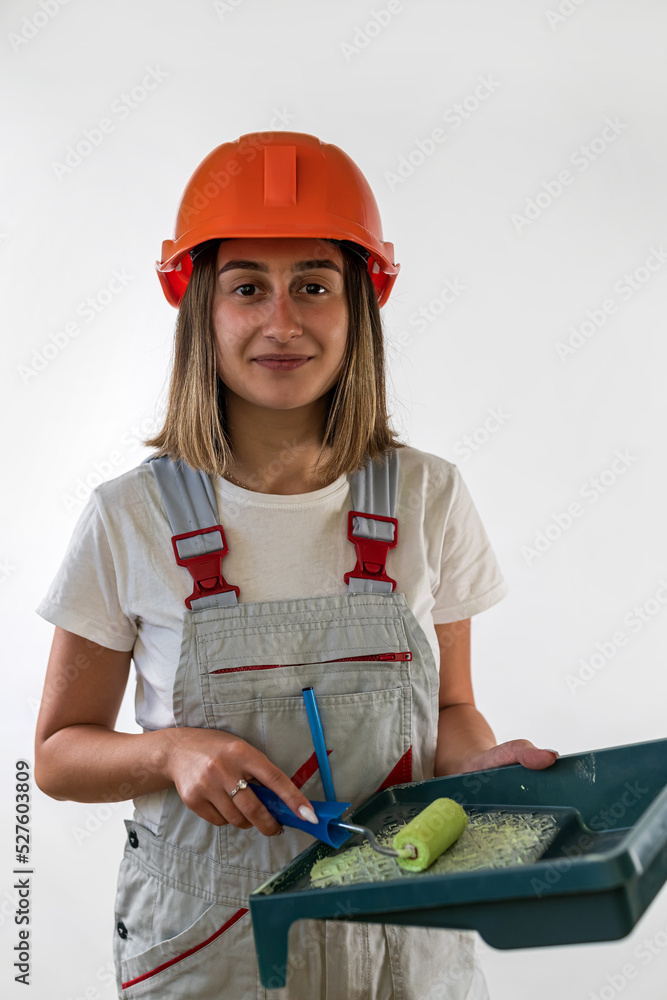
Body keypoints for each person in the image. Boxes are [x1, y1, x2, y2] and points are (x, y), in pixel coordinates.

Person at [34, 130, 558, 999]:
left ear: (359, 307)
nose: (282, 322)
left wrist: (476, 769)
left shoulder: (427, 494)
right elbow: (56, 757)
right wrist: (170, 753)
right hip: (212, 948)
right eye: (247, 287)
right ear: (201, 308)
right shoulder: (128, 517)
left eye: (313, 286)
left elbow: (450, 708)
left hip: (399, 936)